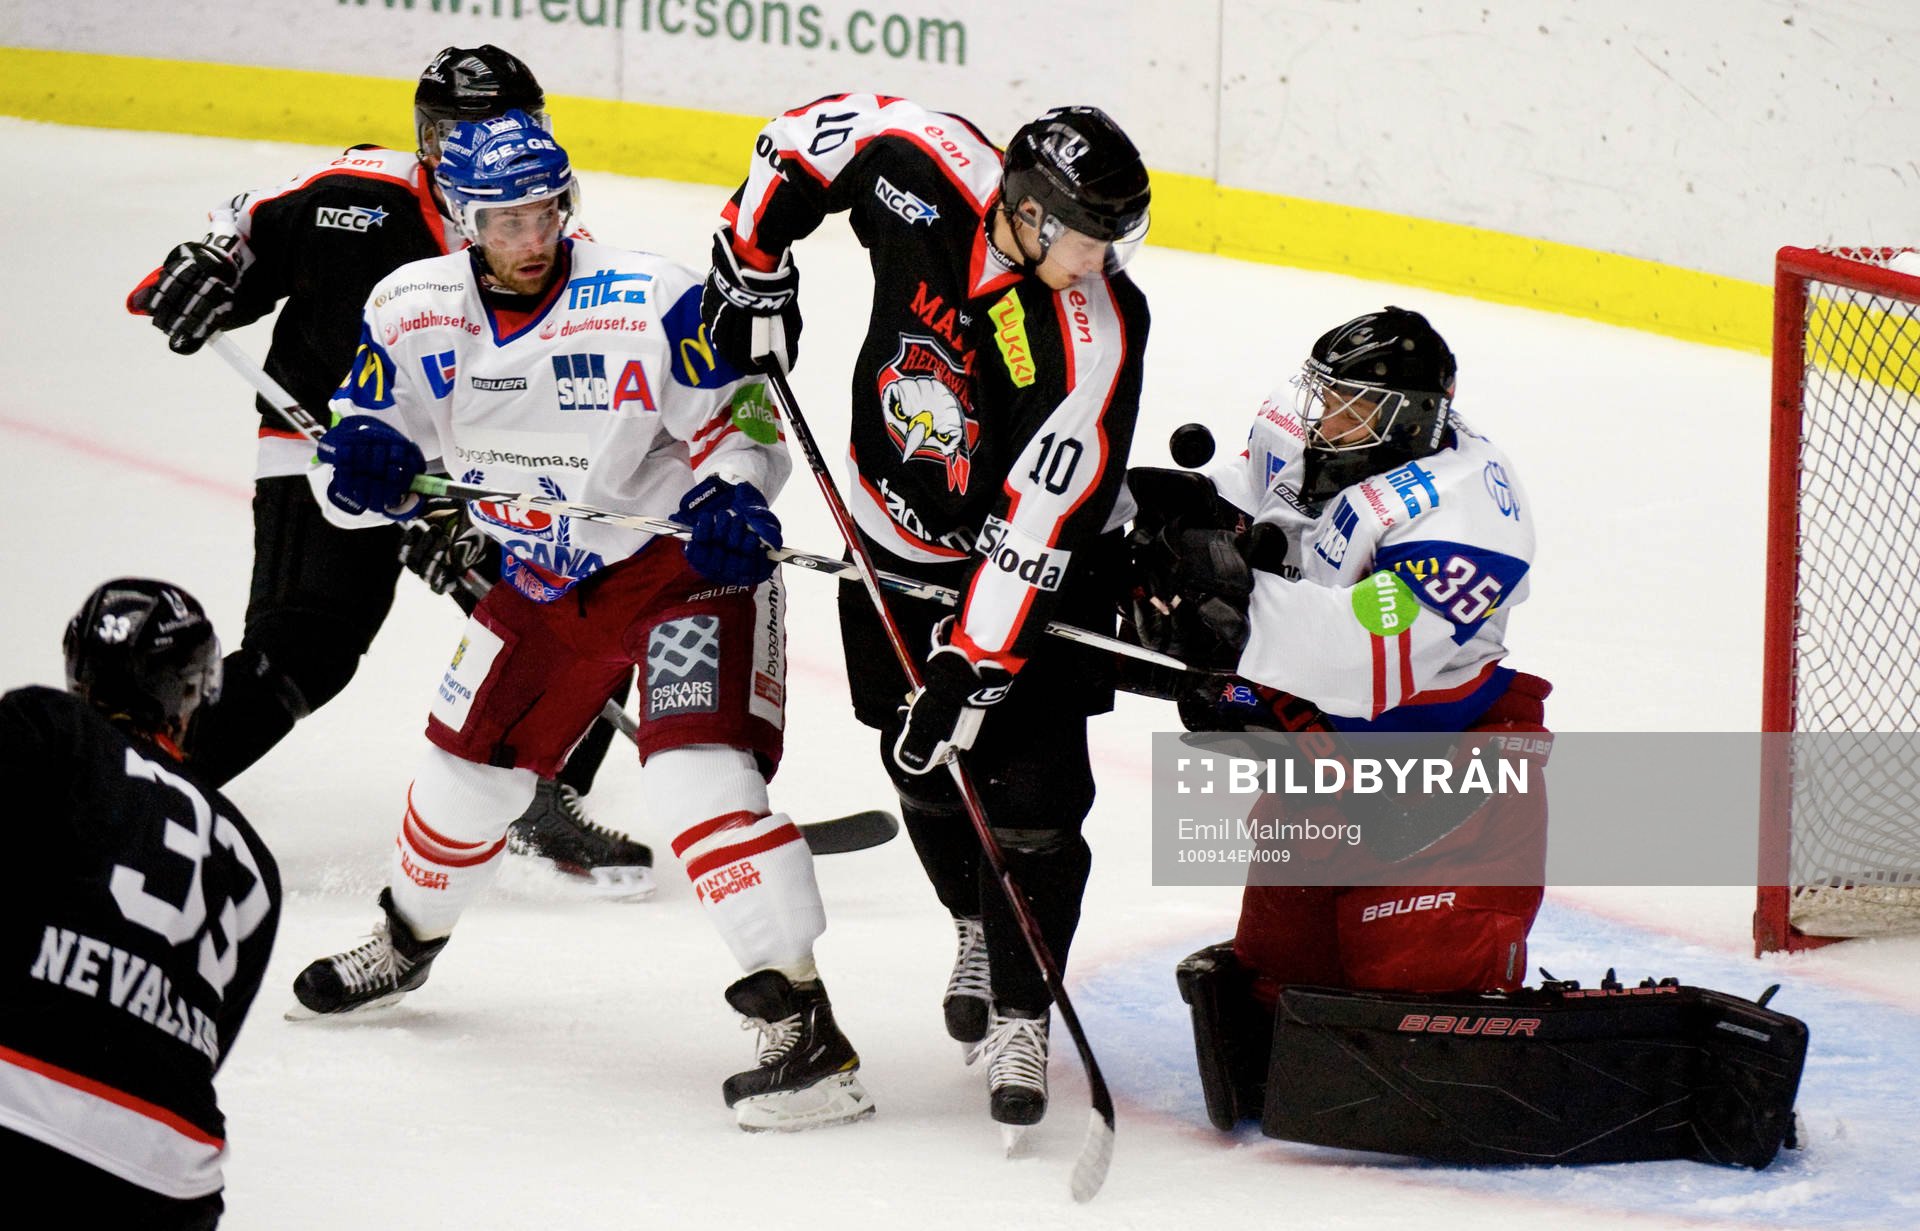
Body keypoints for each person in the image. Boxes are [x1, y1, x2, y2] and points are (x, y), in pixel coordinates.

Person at [290, 113, 873, 1132]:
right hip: (541, 577)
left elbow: (743, 419)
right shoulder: (412, 310)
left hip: (681, 570)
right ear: (465, 220)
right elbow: (349, 463)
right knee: (461, 774)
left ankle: (805, 1033)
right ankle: (406, 940)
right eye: (507, 217)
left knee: (696, 777)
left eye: (549, 207)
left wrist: (736, 493)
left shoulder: (651, 296)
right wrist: (363, 468)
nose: (534, 234)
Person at [702, 96, 1151, 1132]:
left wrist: (971, 662)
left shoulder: (1093, 333)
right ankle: (975, 927)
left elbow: (1039, 522)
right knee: (924, 765)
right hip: (889, 543)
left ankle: (1024, 1011)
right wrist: (753, 261)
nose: (1105, 258)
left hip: (1029, 576)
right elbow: (796, 148)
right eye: (1090, 236)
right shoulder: (924, 165)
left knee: (1036, 807)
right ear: (1028, 212)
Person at [125, 44, 649, 894]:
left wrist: (480, 516)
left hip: (469, 473)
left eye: (507, 129)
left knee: (583, 587)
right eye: (453, 131)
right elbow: (239, 234)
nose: (477, 153)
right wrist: (208, 267)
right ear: (423, 136)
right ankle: (126, 794)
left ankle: (537, 792)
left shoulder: (553, 244)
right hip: (322, 444)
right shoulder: (350, 195)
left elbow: (564, 406)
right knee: (305, 650)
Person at [1137, 307, 1552, 1125]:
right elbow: (1248, 491)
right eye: (1326, 395)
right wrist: (1170, 507)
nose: (1326, 416)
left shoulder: (1474, 520)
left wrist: (1233, 604)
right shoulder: (1311, 427)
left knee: (1417, 998)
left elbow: (1368, 656)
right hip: (1324, 752)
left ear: (1406, 418)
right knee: (1278, 966)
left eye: (1352, 404)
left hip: (1440, 763)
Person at [0, 579, 280, 1227]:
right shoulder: (252, 862)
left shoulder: (48, 728)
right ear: (192, 693)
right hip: (169, 1171)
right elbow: (196, 1047)